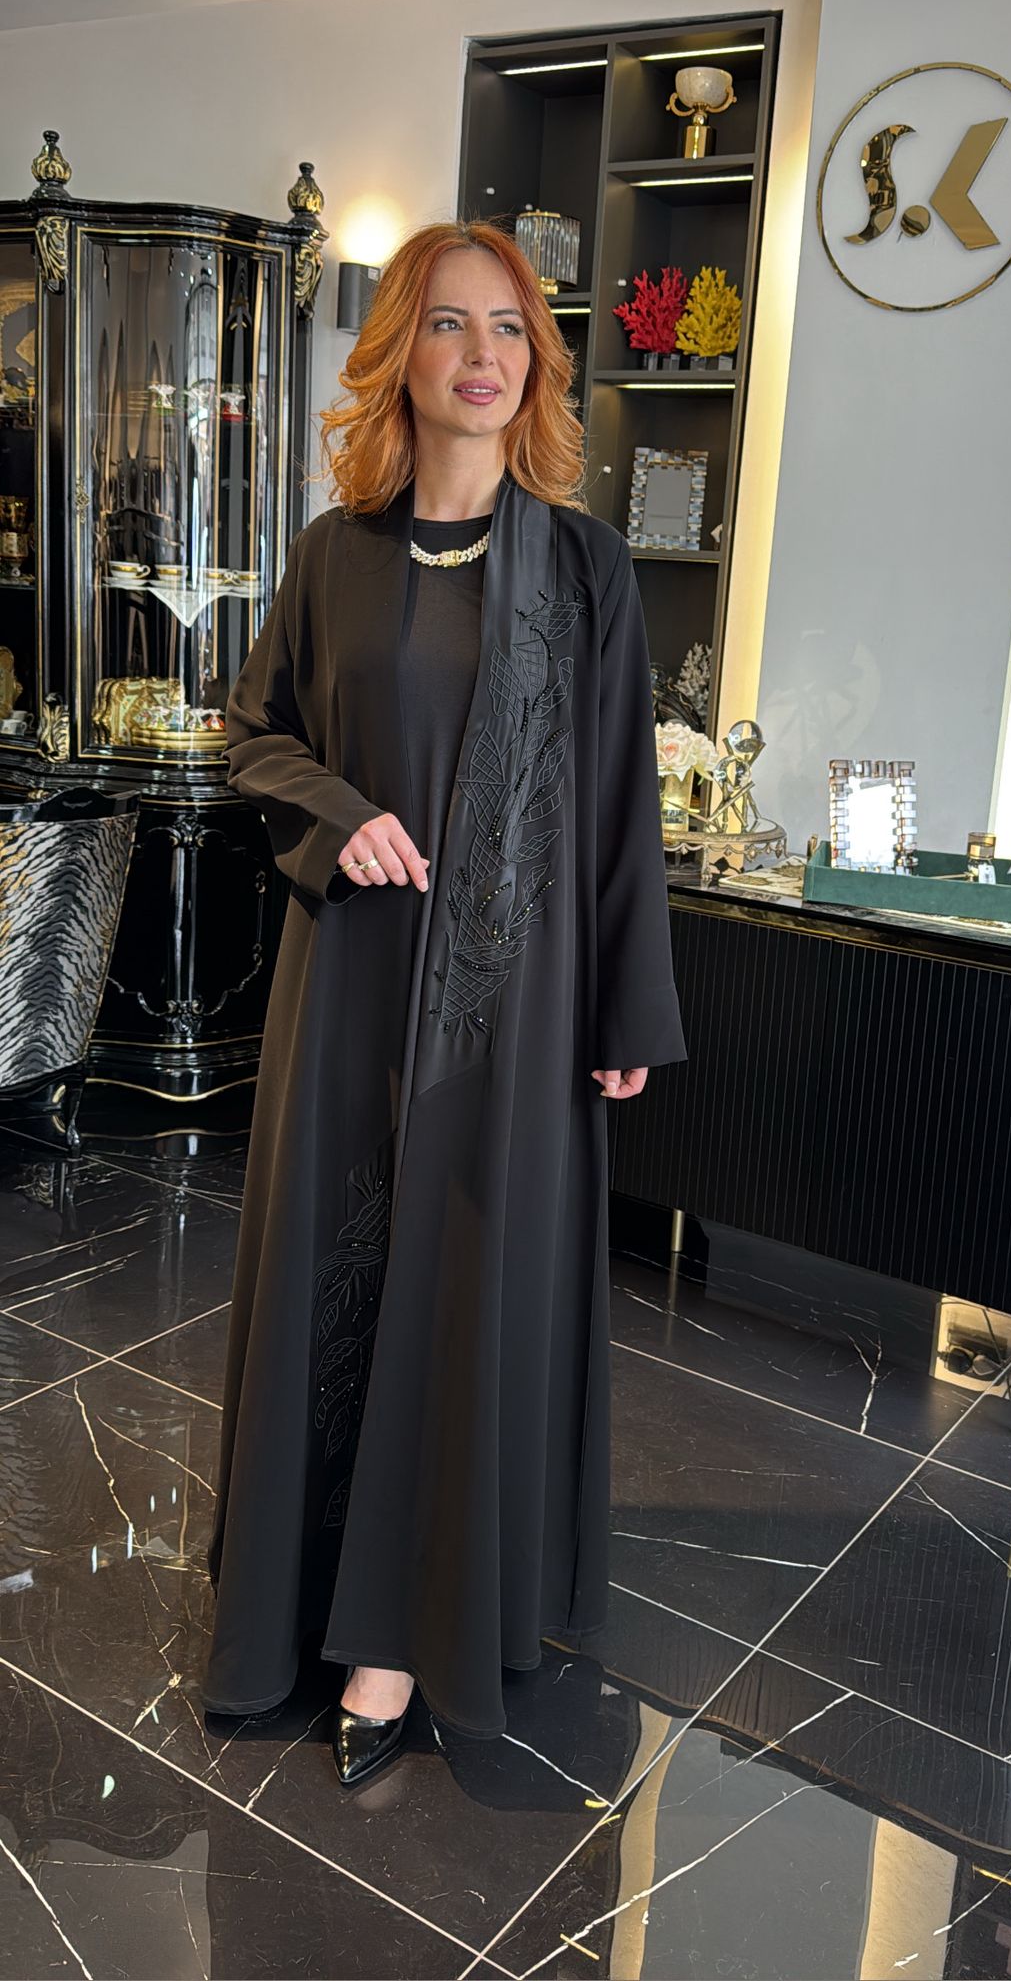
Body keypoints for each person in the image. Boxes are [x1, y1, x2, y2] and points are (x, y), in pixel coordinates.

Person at [201, 218, 688, 1786]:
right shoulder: (333, 555)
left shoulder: (585, 564)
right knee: (338, 1280)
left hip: (514, 1009)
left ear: (536, 359)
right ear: (398, 352)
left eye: (509, 328)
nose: (483, 355)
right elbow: (254, 735)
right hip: (350, 983)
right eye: (448, 324)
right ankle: (299, 1606)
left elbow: (620, 808)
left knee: (462, 1288)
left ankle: (404, 1636)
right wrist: (340, 815)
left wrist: (626, 1011)